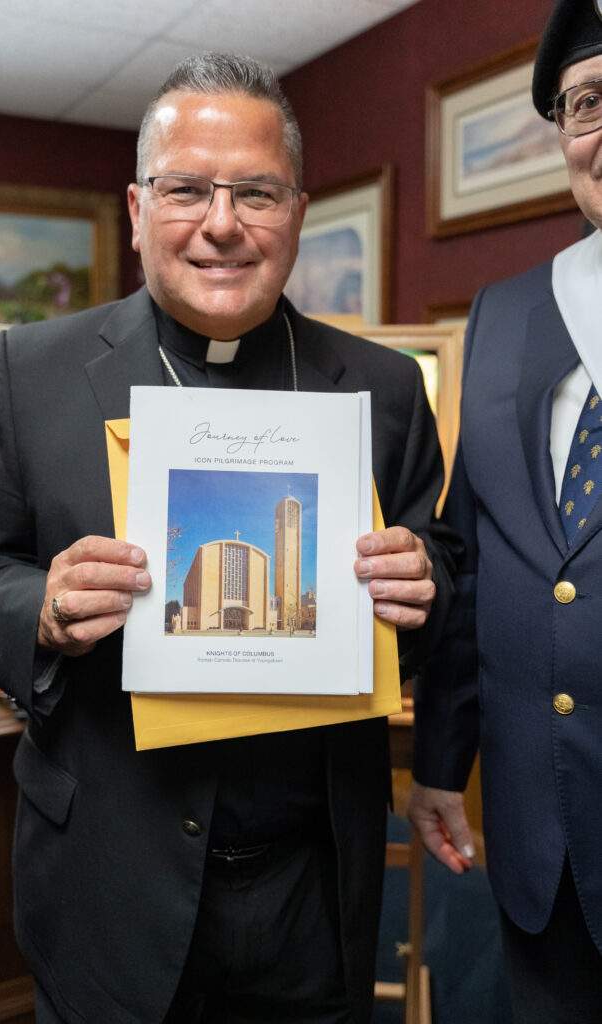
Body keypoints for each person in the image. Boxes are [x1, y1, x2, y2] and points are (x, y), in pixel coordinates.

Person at [0, 54, 455, 1024]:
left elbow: (439, 578)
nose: (220, 223)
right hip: (107, 880)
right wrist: (36, 607)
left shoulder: (381, 389)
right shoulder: (33, 369)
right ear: (136, 209)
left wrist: (421, 587)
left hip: (310, 886)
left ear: (295, 208)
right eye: (186, 190)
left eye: (254, 191)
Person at [409, 3, 602, 1021]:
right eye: (586, 102)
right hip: (541, 848)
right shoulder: (505, 310)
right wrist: (441, 761)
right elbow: (474, 555)